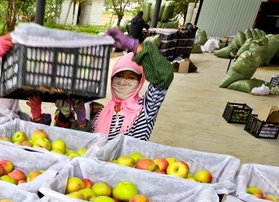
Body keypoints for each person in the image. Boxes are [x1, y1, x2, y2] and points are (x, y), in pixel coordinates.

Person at [27, 27, 173, 142]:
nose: (123, 82)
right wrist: (80, 119)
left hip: (130, 172)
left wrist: (134, 45)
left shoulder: (145, 109)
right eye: (119, 76)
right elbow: (81, 142)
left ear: (140, 81)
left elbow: (163, 77)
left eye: (131, 77)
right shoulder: (102, 114)